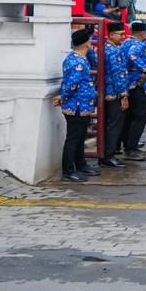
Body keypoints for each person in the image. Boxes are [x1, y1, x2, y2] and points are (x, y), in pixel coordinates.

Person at [53, 29, 101, 182]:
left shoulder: (79, 58)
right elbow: (72, 84)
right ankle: (68, 171)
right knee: (73, 139)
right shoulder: (77, 62)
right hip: (76, 106)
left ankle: (81, 165)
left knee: (80, 137)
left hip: (83, 105)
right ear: (86, 42)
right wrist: (63, 96)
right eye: (89, 40)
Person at [120, 21, 146, 161]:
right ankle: (131, 149)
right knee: (140, 117)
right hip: (139, 84)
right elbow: (132, 56)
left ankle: (129, 143)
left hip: (129, 85)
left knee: (130, 117)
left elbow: (134, 50)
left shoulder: (126, 42)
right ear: (142, 33)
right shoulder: (137, 45)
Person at [100, 21, 129, 168]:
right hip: (114, 93)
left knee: (109, 125)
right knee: (114, 126)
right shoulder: (114, 51)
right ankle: (108, 155)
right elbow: (118, 74)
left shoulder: (106, 48)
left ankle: (104, 153)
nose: (123, 37)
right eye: (121, 34)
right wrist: (123, 94)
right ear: (111, 35)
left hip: (108, 91)